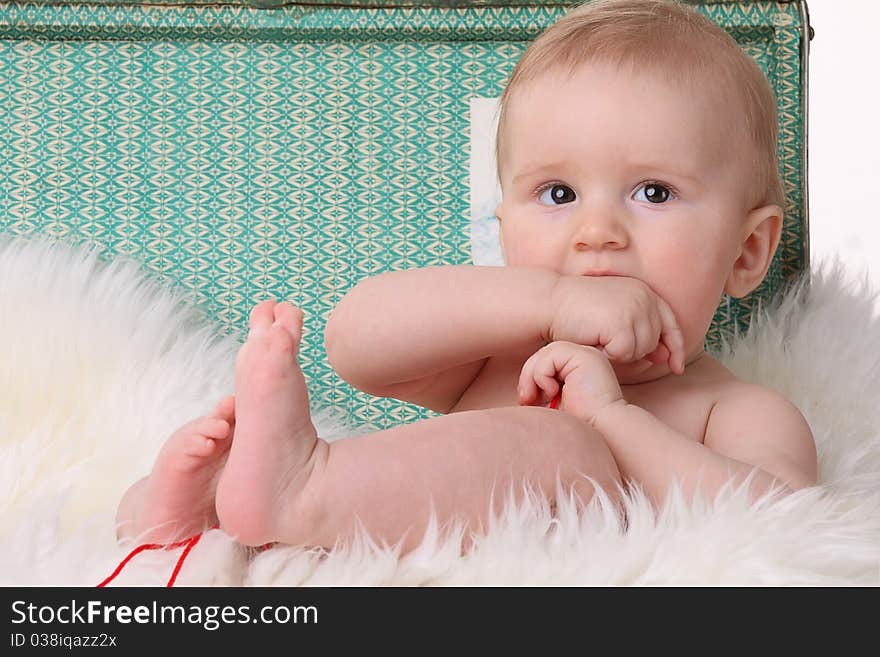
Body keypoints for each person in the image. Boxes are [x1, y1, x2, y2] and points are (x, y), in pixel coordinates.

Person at [115, 0, 818, 552]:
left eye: (654, 193)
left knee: (568, 449)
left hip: (444, 550)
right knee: (238, 466)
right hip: (364, 528)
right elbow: (354, 340)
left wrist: (612, 421)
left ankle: (296, 493)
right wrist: (551, 300)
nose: (596, 231)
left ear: (747, 252)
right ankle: (181, 511)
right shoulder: (500, 355)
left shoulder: (731, 409)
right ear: (502, 222)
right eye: (558, 194)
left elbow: (780, 519)